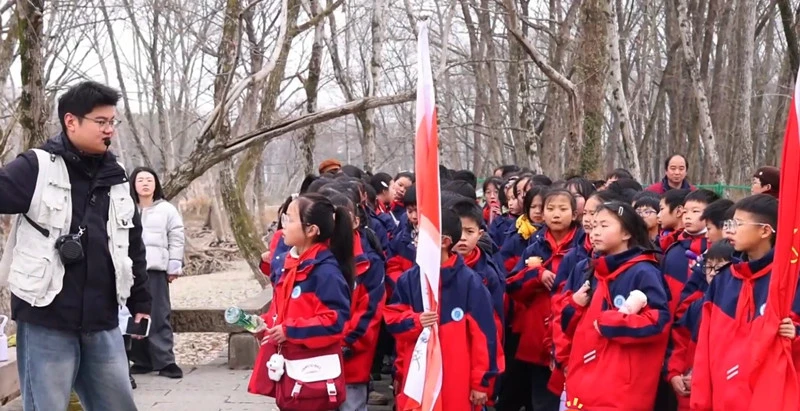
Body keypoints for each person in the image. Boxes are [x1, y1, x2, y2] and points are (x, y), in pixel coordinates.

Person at [0, 81, 150, 411]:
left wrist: (141, 300)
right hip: (45, 318)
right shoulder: (36, 167)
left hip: (102, 320)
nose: (109, 129)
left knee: (119, 405)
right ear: (71, 121)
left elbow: (132, 244)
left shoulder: (119, 176)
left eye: (113, 122)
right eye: (101, 122)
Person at [690, 194, 800, 409]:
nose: (731, 229)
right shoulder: (723, 279)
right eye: (730, 223)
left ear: (765, 231)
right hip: (723, 398)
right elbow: (705, 348)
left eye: (738, 224)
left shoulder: (789, 281)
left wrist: (796, 333)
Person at [385, 208, 499, 410]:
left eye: (421, 235)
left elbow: (485, 338)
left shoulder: (470, 282)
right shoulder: (410, 280)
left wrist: (481, 383)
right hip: (418, 377)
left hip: (457, 380)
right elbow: (393, 321)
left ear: (445, 242)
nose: (416, 241)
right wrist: (415, 321)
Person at [561, 201, 670, 410]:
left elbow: (660, 322)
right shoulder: (594, 269)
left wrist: (610, 321)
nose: (595, 233)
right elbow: (568, 327)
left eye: (604, 225)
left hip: (619, 388)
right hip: (585, 380)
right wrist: (573, 306)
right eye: (593, 227)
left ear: (626, 233)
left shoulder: (643, 271)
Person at [127, 167, 185, 379]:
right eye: (140, 180)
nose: (144, 184)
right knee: (133, 315)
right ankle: (141, 360)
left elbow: (176, 237)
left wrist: (174, 265)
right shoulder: (125, 207)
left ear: (156, 184)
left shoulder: (167, 209)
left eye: (149, 180)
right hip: (129, 271)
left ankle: (165, 361)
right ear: (133, 184)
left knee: (159, 315)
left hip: (155, 271)